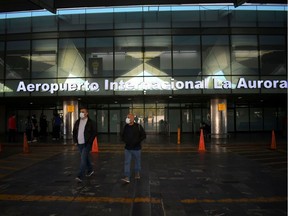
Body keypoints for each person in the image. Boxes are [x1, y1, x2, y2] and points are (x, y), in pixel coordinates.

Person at [73, 108, 97, 183]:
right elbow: (74, 132)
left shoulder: (91, 122)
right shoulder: (77, 122)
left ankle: (79, 175)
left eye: (83, 112)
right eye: (80, 112)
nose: (81, 113)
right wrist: (75, 141)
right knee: (85, 158)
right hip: (79, 143)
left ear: (87, 113)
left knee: (83, 159)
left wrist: (90, 142)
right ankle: (90, 170)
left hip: (86, 144)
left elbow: (94, 132)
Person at [121, 113, 146, 183]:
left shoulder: (138, 126)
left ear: (133, 119)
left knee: (137, 161)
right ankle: (127, 176)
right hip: (127, 148)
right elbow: (122, 135)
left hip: (136, 148)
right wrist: (125, 140)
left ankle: (137, 172)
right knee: (127, 162)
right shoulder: (126, 127)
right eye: (127, 117)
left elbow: (144, 135)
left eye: (129, 117)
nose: (128, 119)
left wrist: (137, 141)